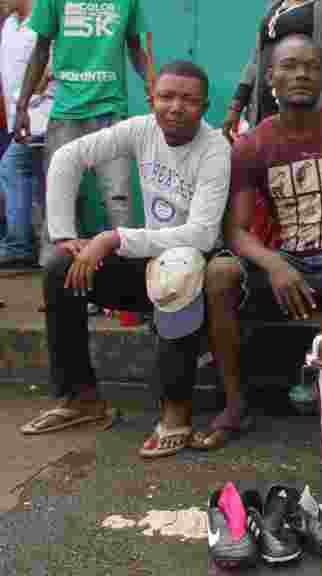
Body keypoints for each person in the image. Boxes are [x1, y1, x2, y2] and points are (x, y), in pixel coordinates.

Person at [18, 61, 232, 460]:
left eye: (188, 99)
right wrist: (65, 237)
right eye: (166, 97)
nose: (175, 107)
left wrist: (114, 238)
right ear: (152, 99)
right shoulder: (141, 129)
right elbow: (67, 157)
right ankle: (81, 399)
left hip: (197, 269)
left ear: (204, 105)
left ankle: (177, 413)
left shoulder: (215, 149)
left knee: (178, 269)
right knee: (61, 270)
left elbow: (202, 234)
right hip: (147, 263)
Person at [204, 34, 322, 440]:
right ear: (271, 76)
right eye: (289, 65)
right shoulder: (253, 145)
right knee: (219, 272)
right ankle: (236, 406)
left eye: (310, 66)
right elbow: (235, 230)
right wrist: (274, 263)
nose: (301, 74)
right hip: (284, 260)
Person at [14, 0, 150, 268]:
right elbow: (41, 51)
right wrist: (22, 107)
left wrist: (153, 86)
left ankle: (130, 290)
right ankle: (56, 287)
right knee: (59, 203)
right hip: (66, 114)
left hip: (110, 112)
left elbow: (135, 48)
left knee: (119, 200)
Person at [223, 0, 322, 144]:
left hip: (308, 114)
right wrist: (236, 106)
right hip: (266, 111)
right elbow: (255, 61)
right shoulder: (275, 6)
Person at [0, 0, 54, 268]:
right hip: (19, 118)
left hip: (43, 114)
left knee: (13, 167)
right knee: (42, 183)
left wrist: (30, 96)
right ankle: (39, 247)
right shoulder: (9, 24)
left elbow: (51, 65)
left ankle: (19, 246)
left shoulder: (42, 20)